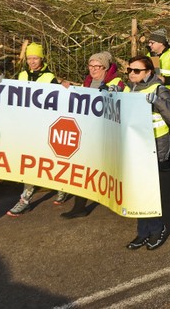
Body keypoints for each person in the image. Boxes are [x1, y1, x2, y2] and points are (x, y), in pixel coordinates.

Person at [124, 56, 170, 250]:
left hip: (155, 147)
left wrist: (157, 101)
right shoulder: (130, 88)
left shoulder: (159, 89)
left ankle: (157, 229)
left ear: (149, 72)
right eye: (129, 70)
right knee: (137, 190)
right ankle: (143, 231)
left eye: (136, 70)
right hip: (136, 146)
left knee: (147, 190)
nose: (131, 73)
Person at [61, 51, 126, 218]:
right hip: (89, 133)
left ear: (105, 67)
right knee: (84, 169)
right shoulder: (88, 82)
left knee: (112, 170)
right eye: (91, 65)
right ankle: (79, 207)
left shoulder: (116, 82)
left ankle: (122, 202)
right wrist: (69, 90)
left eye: (97, 66)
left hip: (107, 134)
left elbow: (118, 104)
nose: (93, 69)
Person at [7, 42, 68, 216]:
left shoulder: (49, 77)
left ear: (41, 58)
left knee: (46, 161)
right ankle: (27, 199)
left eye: (35, 58)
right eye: (29, 58)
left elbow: (58, 101)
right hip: (26, 126)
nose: (32, 61)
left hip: (43, 126)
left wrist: (65, 87)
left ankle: (58, 187)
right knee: (30, 163)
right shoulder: (22, 75)